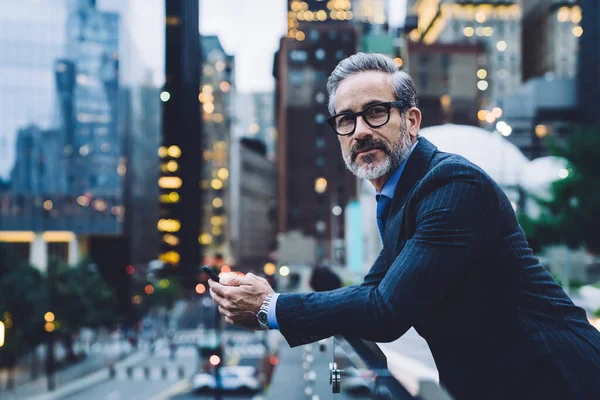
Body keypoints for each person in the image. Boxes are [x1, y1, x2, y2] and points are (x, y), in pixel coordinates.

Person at [208, 53, 600, 399]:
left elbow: (387, 310)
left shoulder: (452, 185)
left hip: (556, 377)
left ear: (412, 121)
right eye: (346, 120)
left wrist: (271, 307)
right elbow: (373, 290)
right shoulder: (401, 196)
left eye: (376, 112)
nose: (360, 130)